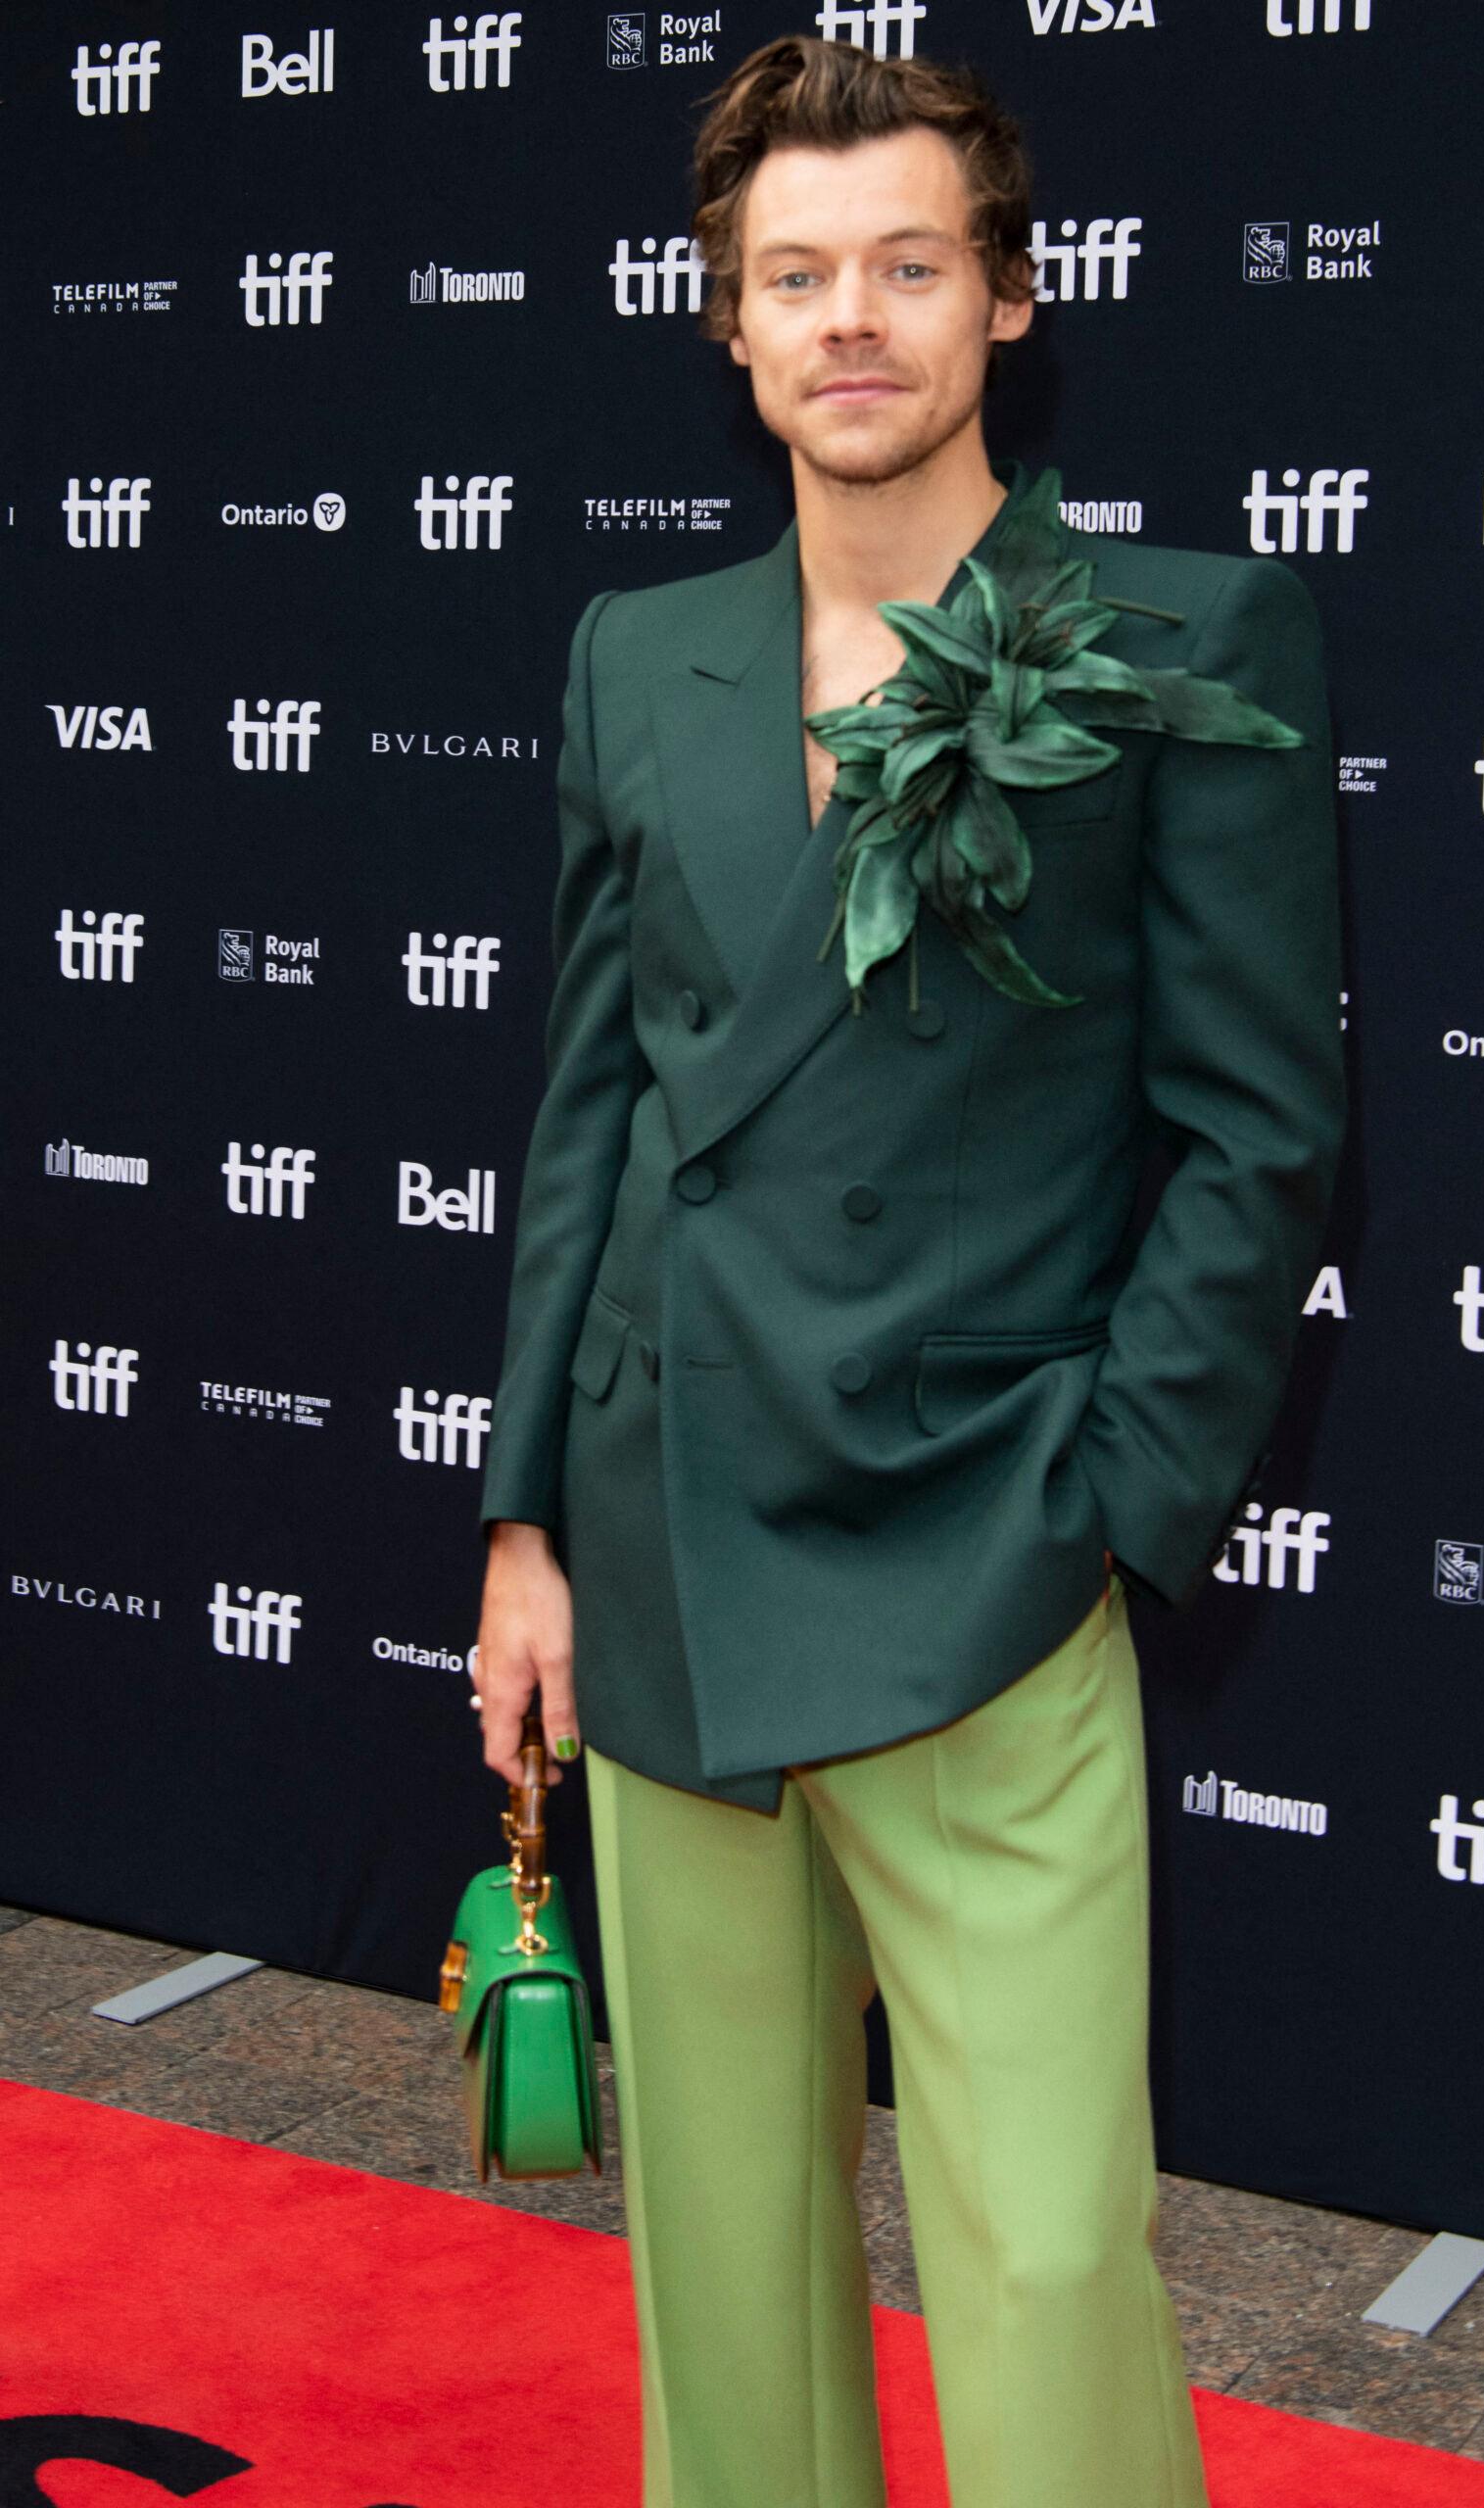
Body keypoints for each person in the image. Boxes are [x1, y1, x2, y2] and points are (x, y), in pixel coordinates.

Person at [473, 32, 1344, 2508]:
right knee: (724, 2271)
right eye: (793, 275)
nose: (846, 318)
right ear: (726, 326)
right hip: (665, 1545)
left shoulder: (1187, 634)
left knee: (1052, 2259)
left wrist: (1103, 1497)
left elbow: (1257, 1131)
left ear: (1004, 300)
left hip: (983, 1552)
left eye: (902, 266)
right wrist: (522, 1516)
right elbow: (593, 1106)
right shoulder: (639, 656)